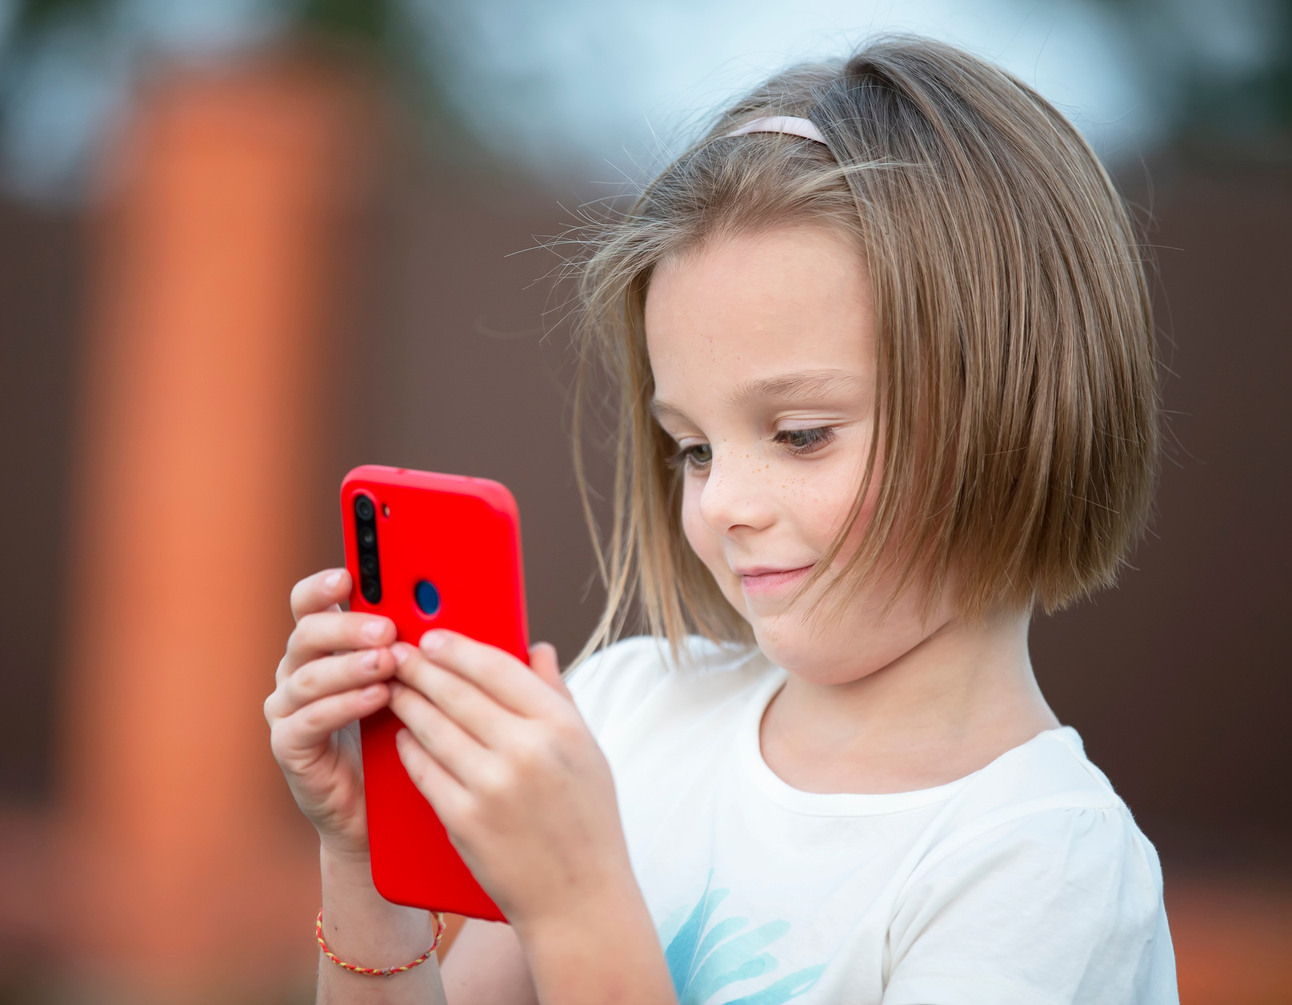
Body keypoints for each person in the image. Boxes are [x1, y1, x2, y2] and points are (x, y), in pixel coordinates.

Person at [264, 34, 1176, 1005]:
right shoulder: (627, 714)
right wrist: (366, 865)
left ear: (1015, 402)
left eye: (799, 434)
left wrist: (577, 905)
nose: (722, 506)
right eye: (692, 448)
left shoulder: (1043, 870)